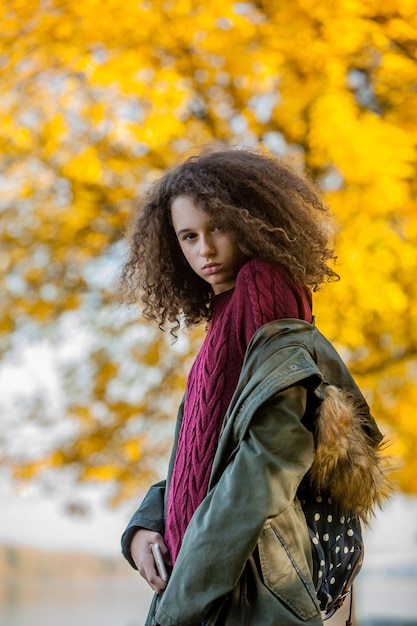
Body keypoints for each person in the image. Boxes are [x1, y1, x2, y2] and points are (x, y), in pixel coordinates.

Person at [120, 146, 391, 626]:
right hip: (212, 589)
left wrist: (178, 605)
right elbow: (202, 456)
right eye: (188, 236)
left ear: (250, 220)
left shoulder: (262, 287)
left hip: (240, 594)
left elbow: (263, 464)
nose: (204, 249)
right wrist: (144, 526)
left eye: (218, 227)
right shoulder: (224, 316)